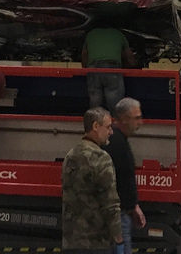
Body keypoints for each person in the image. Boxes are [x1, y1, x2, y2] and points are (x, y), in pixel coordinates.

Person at [62, 107, 123, 254]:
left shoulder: (70, 155)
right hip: (96, 242)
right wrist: (119, 237)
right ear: (96, 126)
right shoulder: (101, 158)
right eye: (108, 127)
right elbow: (110, 204)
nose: (111, 132)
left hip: (71, 241)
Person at [106, 98, 146, 254]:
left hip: (123, 213)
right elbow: (117, 181)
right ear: (123, 119)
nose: (140, 122)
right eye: (136, 118)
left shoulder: (120, 141)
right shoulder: (115, 143)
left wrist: (133, 206)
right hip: (118, 216)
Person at [81, 25, 134, 111]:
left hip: (93, 68)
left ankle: (95, 121)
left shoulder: (91, 34)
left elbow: (84, 54)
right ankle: (114, 122)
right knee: (114, 101)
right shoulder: (118, 34)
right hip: (112, 68)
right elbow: (130, 58)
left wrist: (85, 69)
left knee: (95, 100)